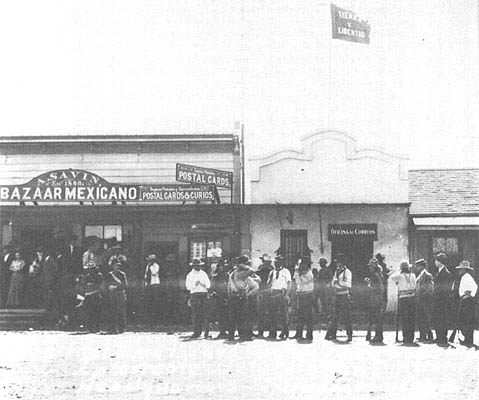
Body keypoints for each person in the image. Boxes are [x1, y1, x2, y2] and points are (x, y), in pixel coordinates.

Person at [228, 255, 256, 341]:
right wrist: (244, 266)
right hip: (240, 296)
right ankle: (243, 335)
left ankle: (232, 335)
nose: (247, 265)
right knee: (242, 316)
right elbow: (252, 270)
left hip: (234, 296)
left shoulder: (233, 273)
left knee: (234, 317)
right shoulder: (240, 273)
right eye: (246, 263)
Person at [325, 254, 353, 341]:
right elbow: (333, 282)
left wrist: (338, 284)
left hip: (344, 295)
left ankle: (349, 334)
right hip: (337, 295)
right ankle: (333, 334)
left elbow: (348, 285)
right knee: (335, 316)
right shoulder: (336, 272)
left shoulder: (347, 272)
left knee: (346, 316)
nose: (337, 264)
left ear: (342, 263)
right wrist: (334, 284)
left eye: (338, 262)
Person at [391, 261, 417, 344]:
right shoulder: (413, 275)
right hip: (412, 298)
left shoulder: (399, 276)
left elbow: (392, 277)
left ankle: (406, 337)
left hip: (403, 299)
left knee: (404, 319)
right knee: (411, 318)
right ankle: (411, 337)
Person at [453, 261, 477, 346]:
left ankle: (468, 339)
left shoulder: (467, 277)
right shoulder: (464, 277)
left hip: (467, 301)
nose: (459, 271)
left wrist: (469, 294)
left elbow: (475, 287)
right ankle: (467, 338)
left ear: (464, 269)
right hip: (464, 300)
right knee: (465, 319)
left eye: (461, 269)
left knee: (467, 320)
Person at [267, 255, 292, 340]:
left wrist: (287, 295)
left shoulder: (286, 272)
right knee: (273, 314)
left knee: (284, 314)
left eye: (278, 262)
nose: (276, 264)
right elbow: (269, 283)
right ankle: (272, 332)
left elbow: (289, 283)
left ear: (281, 263)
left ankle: (285, 331)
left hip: (282, 293)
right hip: (274, 293)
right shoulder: (272, 272)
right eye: (275, 262)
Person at [185, 258, 211, 339]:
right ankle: (197, 332)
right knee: (196, 314)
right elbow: (188, 287)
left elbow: (208, 285)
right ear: (193, 266)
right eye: (196, 265)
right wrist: (195, 285)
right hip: (195, 295)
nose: (198, 267)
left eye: (199, 265)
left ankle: (206, 332)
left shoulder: (203, 274)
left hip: (203, 294)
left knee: (205, 314)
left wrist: (204, 285)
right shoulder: (190, 275)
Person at [76, 260, 104, 333]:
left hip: (95, 295)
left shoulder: (99, 275)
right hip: (89, 296)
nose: (91, 271)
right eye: (89, 269)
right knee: (89, 312)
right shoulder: (87, 276)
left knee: (96, 312)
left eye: (92, 269)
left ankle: (97, 327)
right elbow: (84, 286)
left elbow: (99, 285)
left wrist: (91, 285)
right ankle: (90, 327)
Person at [293, 257, 315, 341]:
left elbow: (299, 282)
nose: (301, 266)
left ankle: (309, 334)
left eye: (302, 264)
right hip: (302, 295)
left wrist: (296, 272)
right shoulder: (303, 273)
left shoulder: (309, 274)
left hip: (308, 296)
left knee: (308, 316)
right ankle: (299, 333)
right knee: (300, 315)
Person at [106, 258, 128, 334]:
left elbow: (125, 285)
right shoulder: (109, 275)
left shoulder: (122, 274)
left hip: (120, 295)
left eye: (118, 265)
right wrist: (109, 287)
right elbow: (106, 284)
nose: (117, 267)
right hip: (112, 295)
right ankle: (113, 328)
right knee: (112, 312)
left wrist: (116, 287)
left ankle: (122, 328)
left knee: (121, 312)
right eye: (115, 265)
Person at [364, 258, 384, 343]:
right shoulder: (379, 274)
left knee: (376, 317)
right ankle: (377, 335)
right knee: (376, 317)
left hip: (375, 298)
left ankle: (378, 336)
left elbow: (377, 288)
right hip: (378, 298)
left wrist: (368, 286)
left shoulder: (374, 275)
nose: (369, 268)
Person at [210, 257, 230, 339]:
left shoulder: (227, 275)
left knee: (227, 314)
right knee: (220, 314)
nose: (223, 267)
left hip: (227, 296)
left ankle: (226, 330)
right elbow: (212, 286)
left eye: (224, 266)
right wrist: (214, 293)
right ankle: (222, 331)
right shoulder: (216, 276)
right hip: (218, 296)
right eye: (221, 266)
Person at [432, 253, 451, 344]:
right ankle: (439, 336)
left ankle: (442, 336)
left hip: (442, 300)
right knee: (438, 318)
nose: (435, 262)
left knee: (442, 318)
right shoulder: (440, 272)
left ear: (440, 262)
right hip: (438, 299)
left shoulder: (445, 273)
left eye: (436, 260)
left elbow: (444, 288)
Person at [415, 259, 434, 342]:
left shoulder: (427, 275)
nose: (417, 268)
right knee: (421, 318)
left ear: (422, 266)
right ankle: (422, 335)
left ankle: (429, 335)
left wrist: (424, 297)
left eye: (418, 266)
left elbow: (430, 288)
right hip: (419, 299)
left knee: (425, 317)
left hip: (425, 300)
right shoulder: (419, 275)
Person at [255, 254, 274, 338]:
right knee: (263, 313)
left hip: (267, 292)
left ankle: (264, 331)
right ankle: (263, 331)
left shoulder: (270, 270)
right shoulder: (267, 269)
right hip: (264, 292)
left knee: (266, 313)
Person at [144, 254, 161, 325]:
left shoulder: (156, 266)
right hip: (149, 284)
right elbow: (145, 275)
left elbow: (154, 273)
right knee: (149, 301)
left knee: (155, 301)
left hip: (155, 284)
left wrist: (150, 267)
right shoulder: (148, 266)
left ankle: (155, 319)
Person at [316, 257, 333, 326]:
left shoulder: (329, 270)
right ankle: (324, 319)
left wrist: (327, 286)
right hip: (321, 289)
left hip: (326, 289)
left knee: (327, 303)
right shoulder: (320, 271)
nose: (320, 264)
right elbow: (318, 279)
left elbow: (331, 279)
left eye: (321, 263)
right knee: (322, 303)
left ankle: (329, 319)